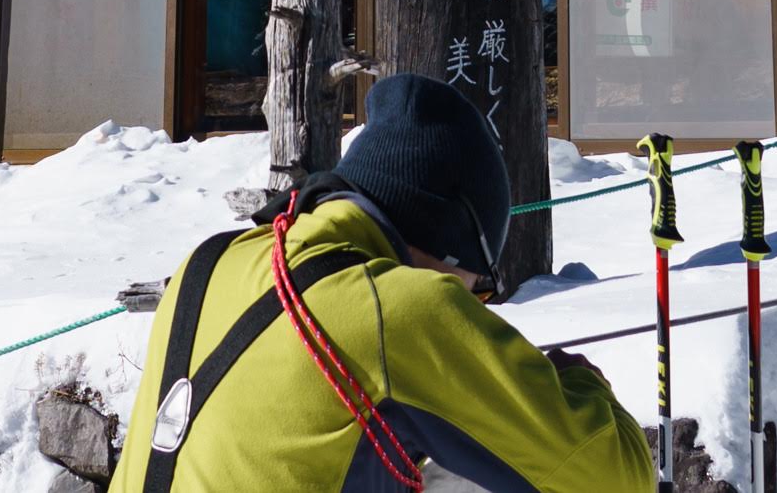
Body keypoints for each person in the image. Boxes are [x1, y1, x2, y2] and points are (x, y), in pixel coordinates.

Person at [112, 74, 654, 493]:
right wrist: (582, 386)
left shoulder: (207, 264)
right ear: (449, 245)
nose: (480, 305)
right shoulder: (401, 309)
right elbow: (617, 479)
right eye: (480, 288)